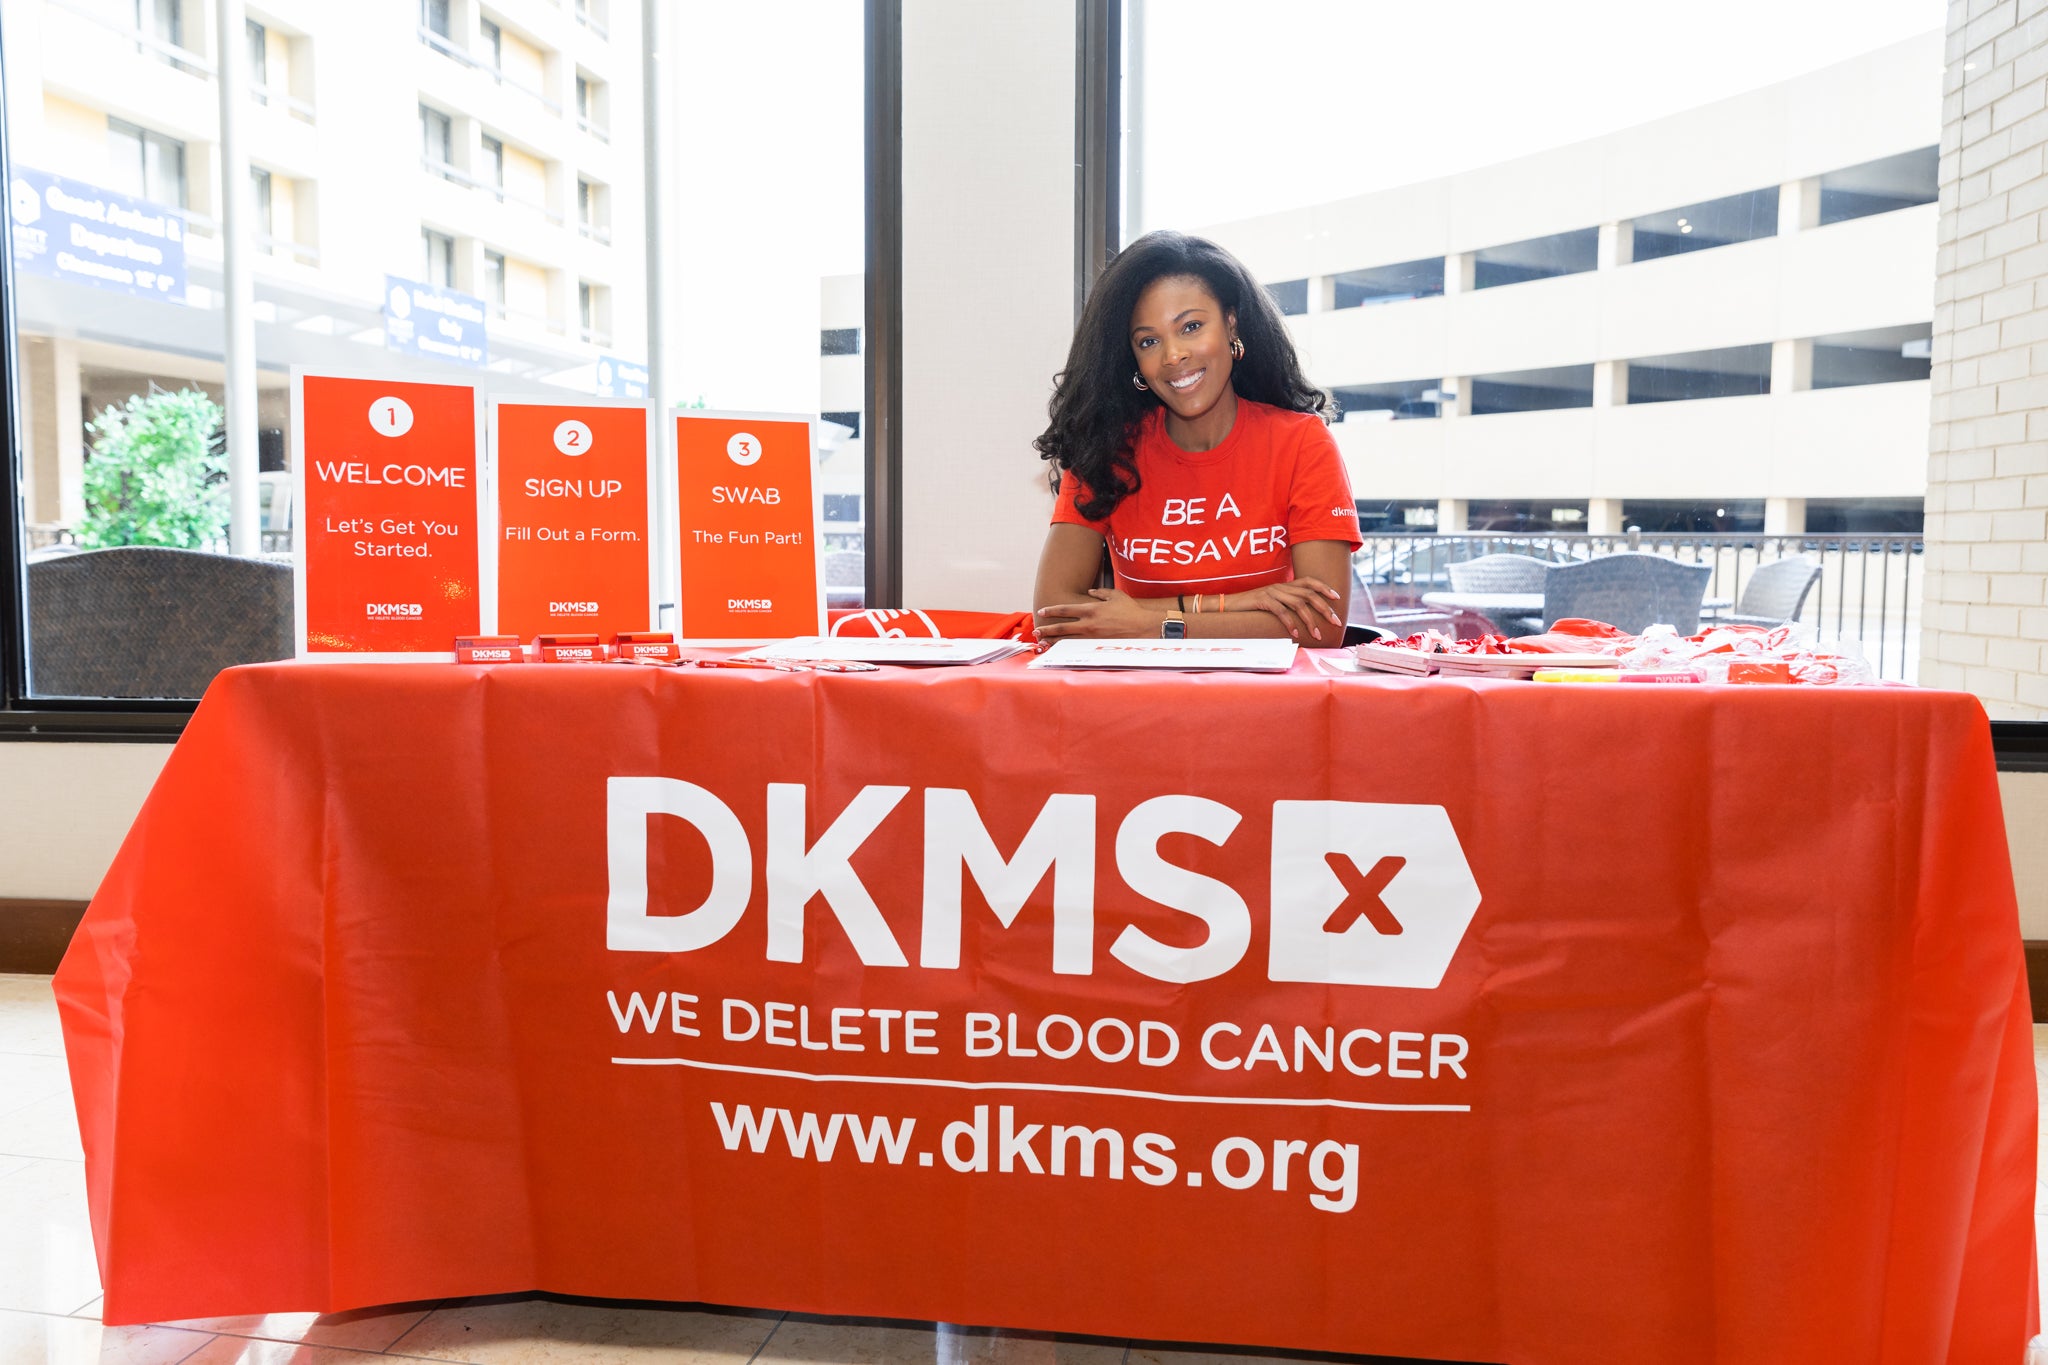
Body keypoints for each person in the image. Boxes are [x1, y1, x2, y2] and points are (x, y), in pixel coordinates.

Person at [1032, 230, 1362, 643]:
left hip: (1269, 701)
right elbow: (1053, 615)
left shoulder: (1301, 442)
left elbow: (1323, 624)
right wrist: (1239, 602)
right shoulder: (1107, 448)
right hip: (1140, 698)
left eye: (1190, 326)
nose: (1172, 356)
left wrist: (1150, 623)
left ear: (1230, 323)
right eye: (1149, 341)